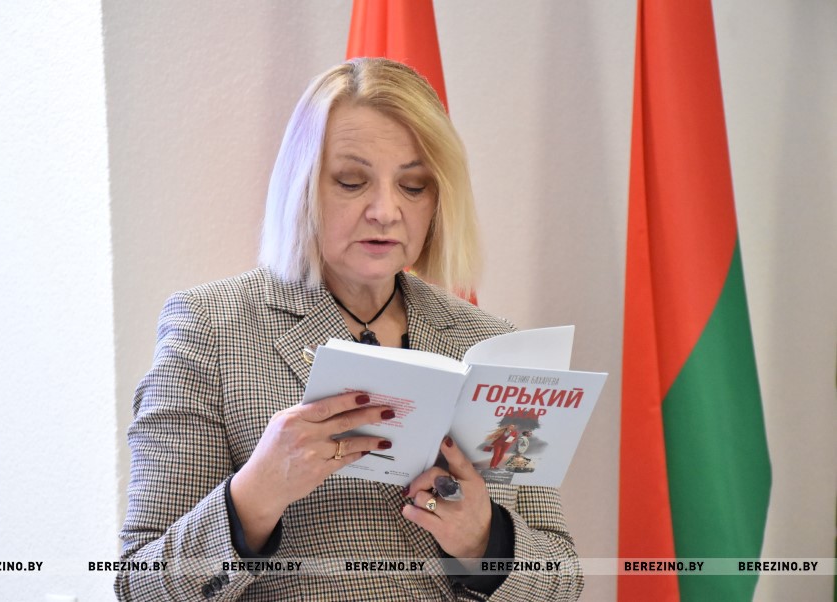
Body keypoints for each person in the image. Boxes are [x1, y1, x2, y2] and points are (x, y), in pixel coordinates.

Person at [115, 57, 583, 601]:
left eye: (413, 186)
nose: (385, 211)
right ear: (303, 188)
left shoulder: (488, 341)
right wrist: (255, 497)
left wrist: (486, 540)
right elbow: (138, 587)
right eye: (352, 181)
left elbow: (563, 582)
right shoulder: (211, 328)